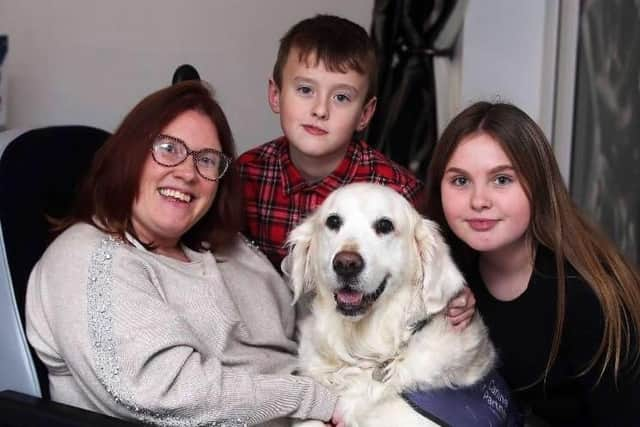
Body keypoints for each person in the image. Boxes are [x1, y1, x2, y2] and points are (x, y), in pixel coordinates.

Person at [25, 81, 340, 426]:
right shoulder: (85, 258)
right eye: (168, 148)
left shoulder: (230, 250)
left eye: (206, 160)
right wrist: (313, 400)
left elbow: (303, 335)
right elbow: (161, 391)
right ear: (129, 154)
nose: (188, 173)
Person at [422, 101, 640, 426]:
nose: (479, 201)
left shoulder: (588, 296)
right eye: (460, 181)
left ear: (537, 186)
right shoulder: (440, 274)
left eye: (501, 180)